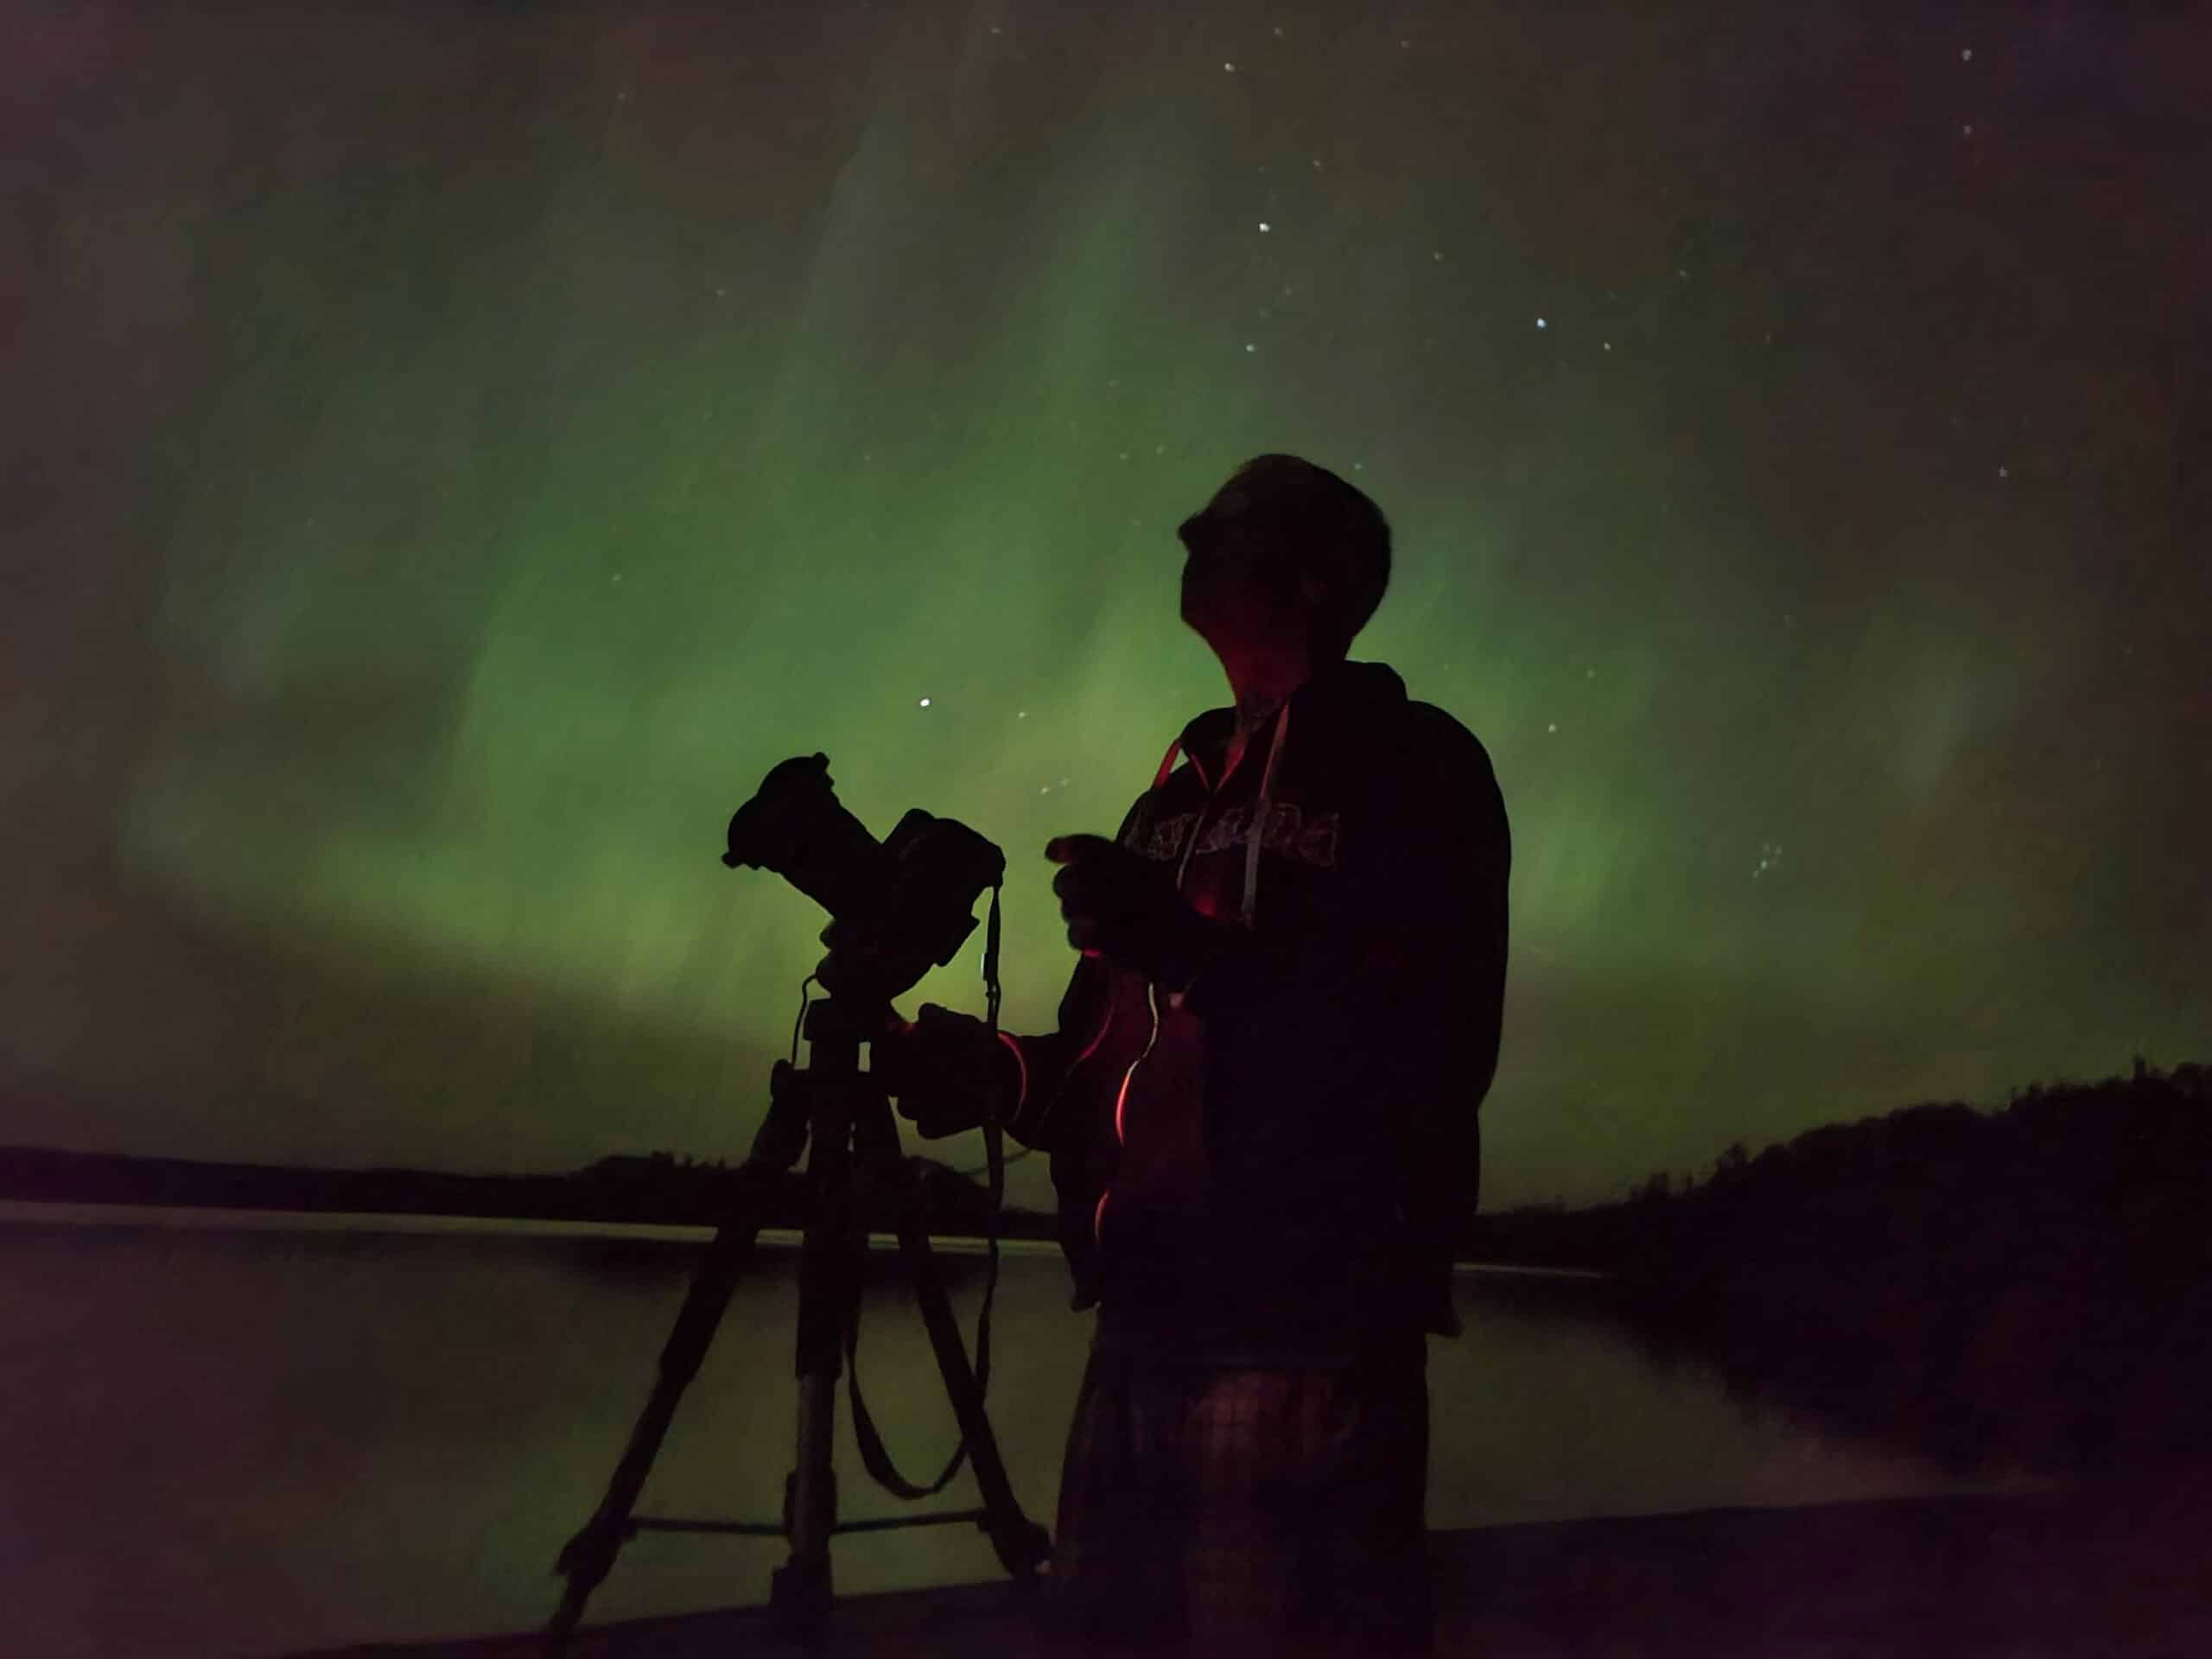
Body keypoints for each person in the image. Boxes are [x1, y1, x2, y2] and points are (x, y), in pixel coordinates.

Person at [877, 454, 1510, 1656]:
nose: (1189, 539)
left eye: (1225, 529)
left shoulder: (1415, 768)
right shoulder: (1171, 798)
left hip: (1303, 1319)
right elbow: (1106, 1061)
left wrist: (1191, 950)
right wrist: (988, 1071)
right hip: (1143, 1313)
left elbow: (1425, 1038)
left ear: (1314, 579)